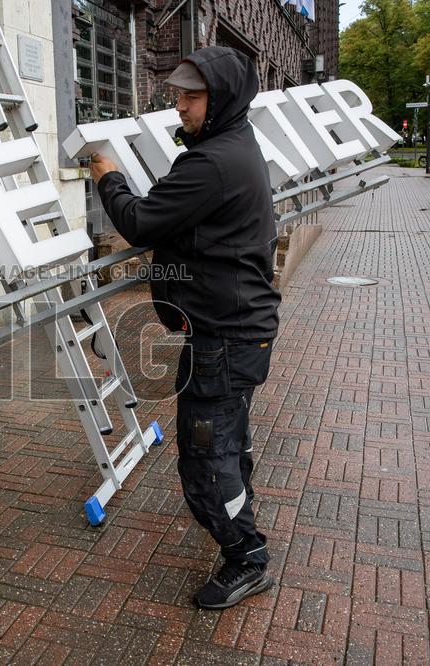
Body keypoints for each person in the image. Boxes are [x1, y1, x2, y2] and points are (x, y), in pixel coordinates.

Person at [89, 46, 280, 610]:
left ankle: (247, 559)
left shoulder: (213, 162)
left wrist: (109, 176)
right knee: (227, 444)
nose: (179, 108)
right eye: (176, 97)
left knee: (205, 459)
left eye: (191, 98)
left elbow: (141, 222)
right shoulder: (230, 146)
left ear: (219, 99)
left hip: (224, 339)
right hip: (228, 335)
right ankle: (241, 530)